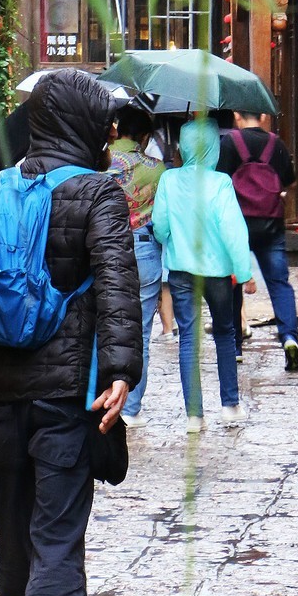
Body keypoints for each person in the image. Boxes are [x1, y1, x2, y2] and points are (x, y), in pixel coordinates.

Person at [0, 68, 141, 596]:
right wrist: (121, 372)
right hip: (69, 395)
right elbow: (120, 287)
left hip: (3, 395)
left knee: (15, 536)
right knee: (58, 534)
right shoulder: (99, 193)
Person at [152, 119, 255, 431]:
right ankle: (229, 404)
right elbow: (233, 230)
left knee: (189, 340)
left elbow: (160, 226)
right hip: (218, 273)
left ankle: (194, 416)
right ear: (213, 148)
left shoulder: (169, 180)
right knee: (225, 332)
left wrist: (171, 239)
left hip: (182, 270)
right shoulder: (221, 182)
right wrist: (244, 271)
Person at [217, 111, 298, 373]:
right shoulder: (277, 144)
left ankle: (236, 346)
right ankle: (289, 338)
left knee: (232, 283)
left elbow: (220, 181)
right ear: (264, 116)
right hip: (271, 225)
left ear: (236, 116)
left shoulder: (230, 142)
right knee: (279, 284)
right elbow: (290, 180)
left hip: (237, 225)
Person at [107, 106, 165, 424]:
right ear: (144, 136)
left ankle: (100, 396)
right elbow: (163, 217)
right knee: (140, 331)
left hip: (104, 250)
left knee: (102, 326)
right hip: (143, 250)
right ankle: (130, 408)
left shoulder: (99, 161)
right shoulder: (156, 168)